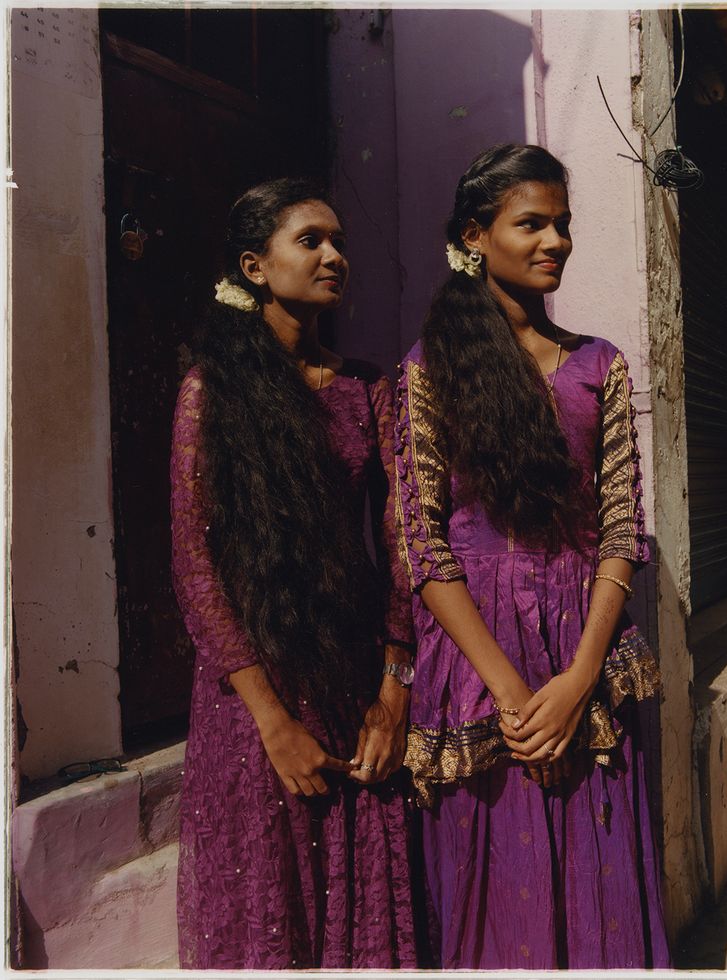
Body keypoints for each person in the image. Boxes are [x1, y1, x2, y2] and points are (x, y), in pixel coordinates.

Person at [394, 144, 671, 969]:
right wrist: (514, 698)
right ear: (475, 236)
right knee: (497, 885)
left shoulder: (600, 365)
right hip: (478, 659)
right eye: (532, 224)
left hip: (586, 644)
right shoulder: (431, 370)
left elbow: (621, 527)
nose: (555, 241)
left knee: (599, 875)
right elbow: (422, 542)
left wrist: (580, 679)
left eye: (563, 224)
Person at [170, 178, 417, 969]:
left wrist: (393, 696)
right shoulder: (214, 392)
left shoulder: (367, 389)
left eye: (339, 241)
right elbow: (195, 565)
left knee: (362, 898)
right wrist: (273, 725)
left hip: (354, 680)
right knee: (271, 910)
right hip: (255, 696)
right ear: (255, 266)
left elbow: (403, 551)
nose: (334, 255)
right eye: (311, 241)